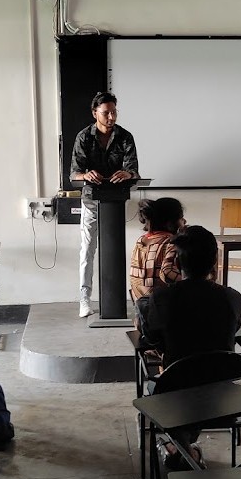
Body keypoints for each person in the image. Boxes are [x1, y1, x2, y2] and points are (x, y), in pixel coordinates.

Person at [146, 225, 241, 469]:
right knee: (201, 374)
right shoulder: (232, 297)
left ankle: (179, 449)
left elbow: (152, 338)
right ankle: (183, 449)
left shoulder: (162, 298)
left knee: (167, 378)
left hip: (176, 394)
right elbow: (233, 329)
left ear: (177, 263)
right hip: (226, 395)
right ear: (214, 261)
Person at [70, 91, 140, 318]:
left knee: (115, 249)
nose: (111, 117)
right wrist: (86, 175)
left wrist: (126, 173)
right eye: (106, 113)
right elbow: (75, 173)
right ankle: (84, 299)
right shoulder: (84, 137)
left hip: (116, 201)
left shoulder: (125, 136)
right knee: (88, 250)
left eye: (114, 112)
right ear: (95, 113)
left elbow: (134, 170)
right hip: (92, 199)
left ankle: (117, 300)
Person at [129, 198, 185, 337]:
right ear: (172, 221)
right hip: (163, 323)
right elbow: (168, 274)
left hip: (141, 319)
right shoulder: (170, 242)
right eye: (181, 217)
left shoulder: (141, 241)